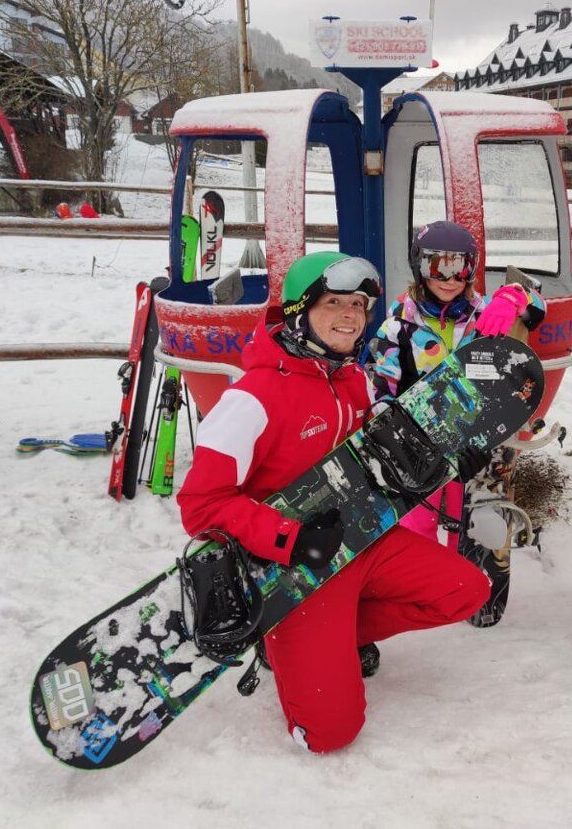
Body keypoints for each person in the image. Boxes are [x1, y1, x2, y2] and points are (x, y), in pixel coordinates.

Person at [177, 251, 490, 754]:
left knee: (465, 591)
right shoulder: (251, 399)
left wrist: (448, 461)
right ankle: (283, 640)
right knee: (330, 734)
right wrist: (290, 539)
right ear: (300, 311)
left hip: (361, 544)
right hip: (293, 569)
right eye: (335, 302)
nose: (351, 315)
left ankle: (335, 640)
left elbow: (382, 462)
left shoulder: (355, 380)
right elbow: (201, 505)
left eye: (360, 305)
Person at [369, 220, 545, 547]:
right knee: (418, 526)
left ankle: (463, 583)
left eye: (461, 268)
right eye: (437, 268)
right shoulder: (400, 324)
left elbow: (536, 309)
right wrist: (396, 439)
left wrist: (513, 298)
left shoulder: (484, 314)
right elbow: (382, 384)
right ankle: (421, 585)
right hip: (422, 442)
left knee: (465, 526)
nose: (450, 280)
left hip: (475, 441)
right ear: (419, 266)